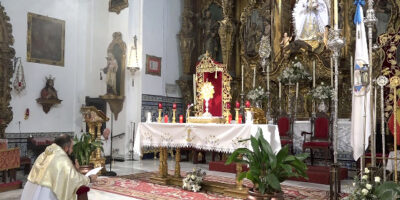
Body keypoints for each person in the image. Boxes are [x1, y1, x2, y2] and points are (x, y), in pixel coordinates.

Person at [21, 134, 97, 200]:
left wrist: (76, 169)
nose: (72, 150)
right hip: (47, 195)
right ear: (66, 148)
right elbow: (74, 179)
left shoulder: (45, 153)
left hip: (31, 193)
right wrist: (89, 179)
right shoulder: (61, 158)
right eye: (71, 147)